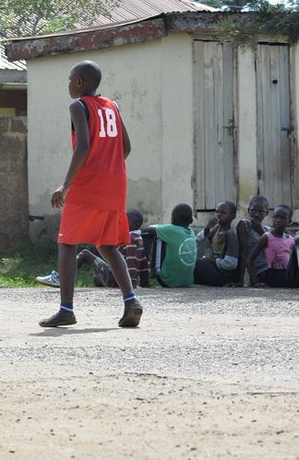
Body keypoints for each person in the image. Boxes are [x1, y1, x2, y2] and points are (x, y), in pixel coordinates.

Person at [39, 60, 142, 329]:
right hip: (116, 183)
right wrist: (110, 167)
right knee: (106, 244)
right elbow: (127, 147)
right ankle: (131, 300)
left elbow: (82, 147)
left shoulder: (78, 106)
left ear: (81, 82)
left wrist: (65, 185)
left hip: (90, 184)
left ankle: (66, 309)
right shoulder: (113, 105)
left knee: (66, 242)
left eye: (71, 79)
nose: (69, 85)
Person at [35, 209, 149, 288]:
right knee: (96, 278)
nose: (120, 221)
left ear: (132, 223)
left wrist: (132, 283)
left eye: (123, 219)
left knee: (85, 254)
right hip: (120, 279)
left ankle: (60, 278)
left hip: (119, 280)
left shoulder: (130, 238)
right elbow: (143, 262)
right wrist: (145, 283)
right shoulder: (139, 238)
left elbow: (131, 261)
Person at [141, 203, 198, 288]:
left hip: (167, 280)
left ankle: (153, 271)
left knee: (158, 237)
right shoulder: (191, 232)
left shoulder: (170, 230)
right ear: (191, 221)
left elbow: (149, 229)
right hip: (188, 282)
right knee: (163, 235)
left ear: (173, 219)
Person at [246, 204, 297, 288]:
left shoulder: (291, 239)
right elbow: (249, 259)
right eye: (276, 217)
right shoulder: (267, 237)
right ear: (272, 218)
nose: (278, 220)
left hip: (285, 275)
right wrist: (255, 282)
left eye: (282, 218)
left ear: (289, 221)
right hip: (271, 274)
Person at [194, 200, 240, 286]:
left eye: (223, 213)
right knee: (190, 262)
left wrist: (212, 260)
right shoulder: (216, 229)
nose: (219, 215)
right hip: (214, 268)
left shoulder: (230, 235)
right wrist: (208, 227)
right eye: (217, 212)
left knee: (194, 265)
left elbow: (231, 264)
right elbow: (196, 241)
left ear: (233, 216)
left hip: (224, 274)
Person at [236, 195, 270, 286]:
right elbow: (244, 252)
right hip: (258, 271)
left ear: (266, 213)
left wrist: (261, 231)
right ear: (248, 210)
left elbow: (272, 248)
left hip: (269, 269)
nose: (256, 214)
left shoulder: (267, 230)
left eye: (261, 212)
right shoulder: (244, 224)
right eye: (253, 210)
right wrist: (241, 281)